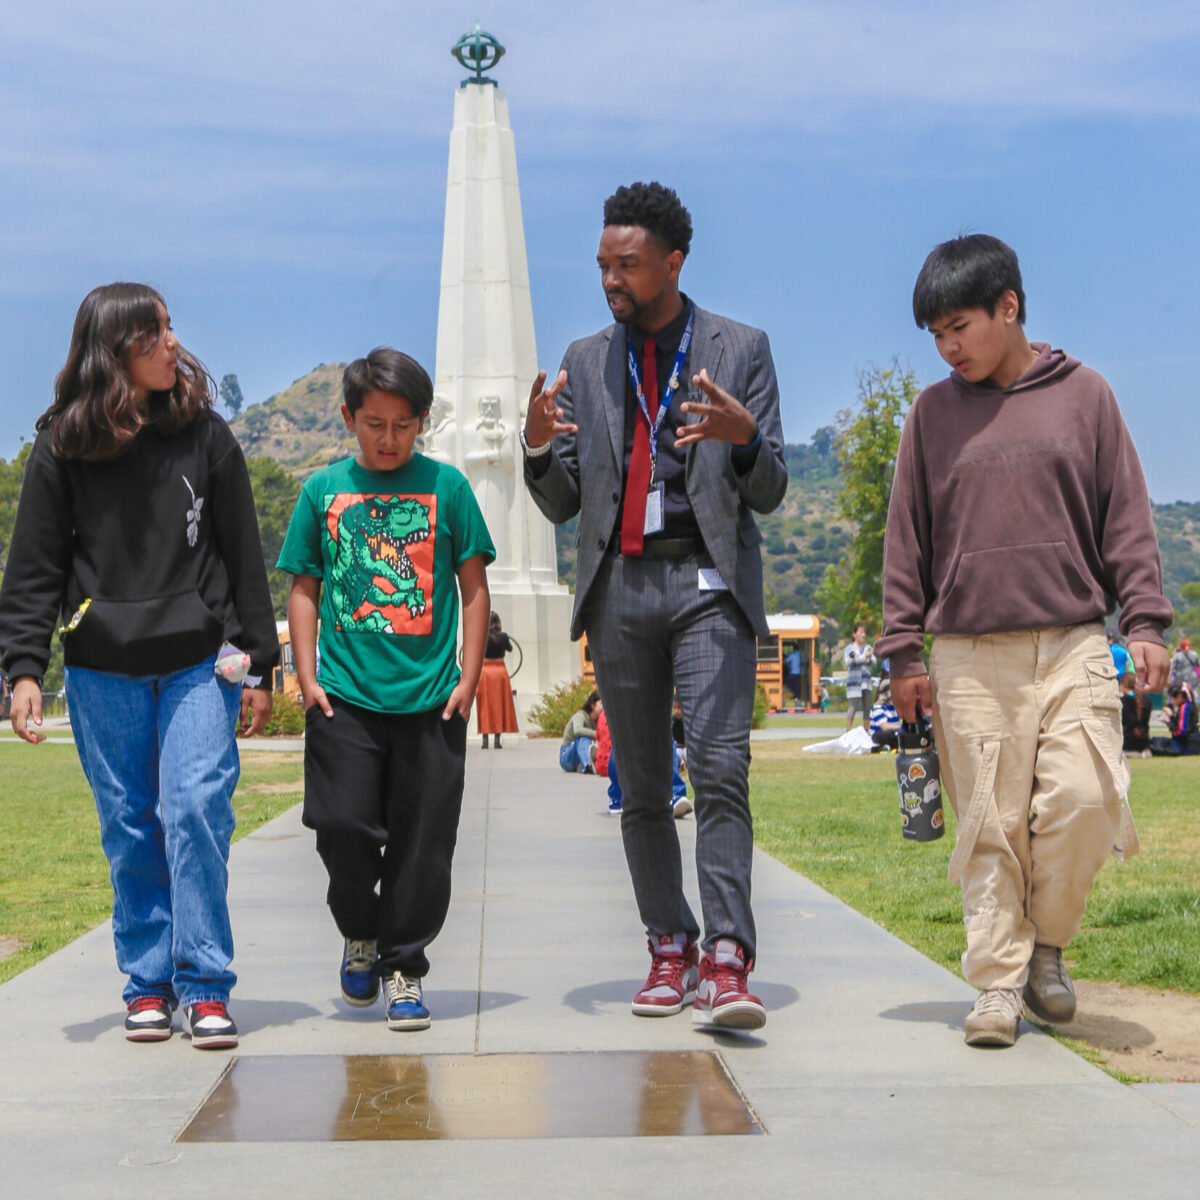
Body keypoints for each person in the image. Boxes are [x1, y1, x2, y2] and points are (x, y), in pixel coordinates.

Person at [876, 234, 1172, 1049]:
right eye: (936, 334)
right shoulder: (931, 415)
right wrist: (903, 653)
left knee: (1085, 799)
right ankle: (1000, 985)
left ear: (1009, 307)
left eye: (960, 326)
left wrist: (1145, 622)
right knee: (990, 826)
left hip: (1075, 641)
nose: (948, 347)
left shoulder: (1086, 396)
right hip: (967, 653)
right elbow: (906, 540)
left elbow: (1126, 519)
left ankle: (1047, 946)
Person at [522, 181, 787, 1029]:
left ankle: (728, 960)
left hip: (708, 583)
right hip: (620, 589)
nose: (611, 279)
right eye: (603, 265)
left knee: (719, 767)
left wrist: (744, 441)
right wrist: (536, 449)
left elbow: (772, 489)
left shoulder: (741, 349)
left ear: (673, 262)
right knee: (638, 784)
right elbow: (565, 502)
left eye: (628, 265)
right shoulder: (585, 359)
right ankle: (669, 946)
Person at [0, 283, 279, 1049]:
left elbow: (242, 554)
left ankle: (206, 984)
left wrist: (259, 663)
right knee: (129, 827)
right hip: (102, 667)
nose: (172, 342)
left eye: (169, 327)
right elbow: (33, 570)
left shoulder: (205, 435)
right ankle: (149, 983)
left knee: (195, 810)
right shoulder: (62, 446)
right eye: (154, 332)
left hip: (199, 662)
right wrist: (23, 670)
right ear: (114, 350)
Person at [277, 347, 494, 1033]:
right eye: (375, 424)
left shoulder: (448, 488)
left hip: (431, 701)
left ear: (422, 422)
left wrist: (467, 677)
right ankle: (361, 930)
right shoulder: (322, 490)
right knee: (339, 825)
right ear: (349, 419)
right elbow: (304, 588)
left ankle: (403, 967)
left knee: (423, 844)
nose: (389, 438)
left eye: (404, 425)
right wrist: (306, 675)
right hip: (343, 697)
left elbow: (474, 588)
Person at [477, 611, 519, 748]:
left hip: (485, 672)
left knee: (484, 706)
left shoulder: (482, 635)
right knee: (499, 705)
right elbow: (510, 649)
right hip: (500, 672)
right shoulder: (503, 637)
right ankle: (497, 740)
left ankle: (484, 740)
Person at [1150, 684, 1199, 756]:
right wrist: (1171, 716)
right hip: (1190, 744)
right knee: (1155, 740)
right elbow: (1181, 725)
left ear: (1179, 696)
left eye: (1171, 698)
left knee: (1155, 745)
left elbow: (1180, 731)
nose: (1171, 702)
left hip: (1186, 746)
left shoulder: (1185, 708)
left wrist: (1168, 721)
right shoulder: (1188, 705)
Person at [843, 623, 875, 731]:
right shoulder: (849, 648)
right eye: (861, 632)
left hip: (866, 682)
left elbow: (874, 661)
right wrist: (864, 657)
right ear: (854, 634)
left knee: (867, 708)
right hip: (854, 683)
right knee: (853, 707)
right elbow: (849, 662)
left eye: (864, 632)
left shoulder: (868, 647)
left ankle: (867, 732)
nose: (863, 635)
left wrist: (861, 658)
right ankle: (848, 731)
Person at [560, 690, 600, 773]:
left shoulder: (599, 721)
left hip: (580, 755)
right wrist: (598, 734)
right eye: (601, 704)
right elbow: (578, 730)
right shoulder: (580, 715)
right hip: (566, 756)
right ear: (593, 705)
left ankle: (583, 765)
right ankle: (588, 765)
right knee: (583, 738)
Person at [1120, 672, 1153, 757]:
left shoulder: (1122, 702)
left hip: (1128, 745)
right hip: (1144, 745)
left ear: (1122, 685)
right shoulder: (1147, 700)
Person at [868, 677, 901, 752]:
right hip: (878, 734)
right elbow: (885, 727)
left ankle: (892, 745)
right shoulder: (877, 708)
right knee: (887, 734)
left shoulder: (894, 707)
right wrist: (900, 727)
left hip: (893, 733)